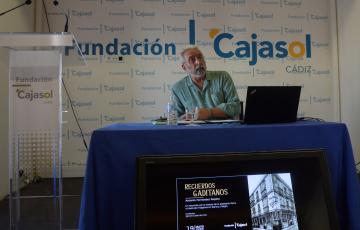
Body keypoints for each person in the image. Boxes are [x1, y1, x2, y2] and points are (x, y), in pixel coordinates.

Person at [171, 47, 241, 120]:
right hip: (194, 130)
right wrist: (183, 118)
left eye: (200, 57)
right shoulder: (178, 88)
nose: (198, 62)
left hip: (223, 128)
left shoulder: (222, 77)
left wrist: (209, 113)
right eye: (192, 60)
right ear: (184, 67)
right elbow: (174, 118)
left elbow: (236, 107)